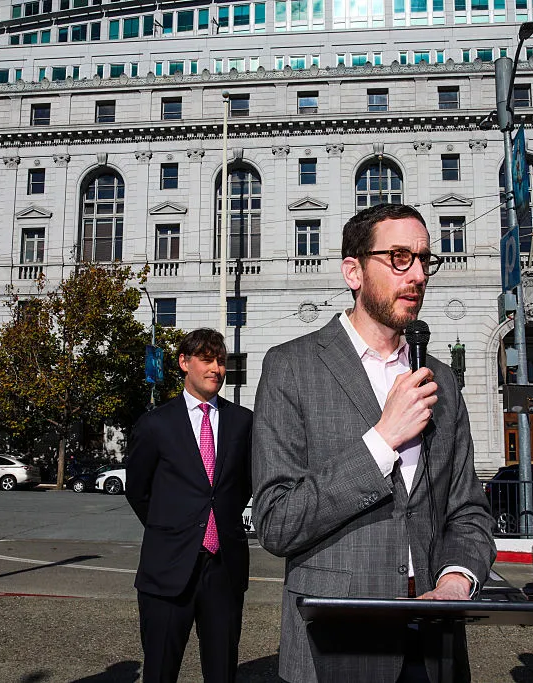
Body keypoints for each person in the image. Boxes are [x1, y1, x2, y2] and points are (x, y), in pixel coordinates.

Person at [252, 203, 496, 683]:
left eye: (425, 259)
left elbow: (467, 510)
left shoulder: (441, 379)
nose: (419, 274)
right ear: (353, 271)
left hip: (433, 648)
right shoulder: (291, 367)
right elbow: (276, 523)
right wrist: (382, 440)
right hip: (336, 643)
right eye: (400, 257)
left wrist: (455, 580)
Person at [125, 328, 253, 683]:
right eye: (207, 359)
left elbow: (241, 486)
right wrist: (175, 528)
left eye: (221, 361)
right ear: (184, 362)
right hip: (167, 570)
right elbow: (138, 491)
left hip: (224, 569)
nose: (217, 368)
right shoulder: (155, 424)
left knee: (222, 671)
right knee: (161, 671)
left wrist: (216, 521)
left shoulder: (243, 422)